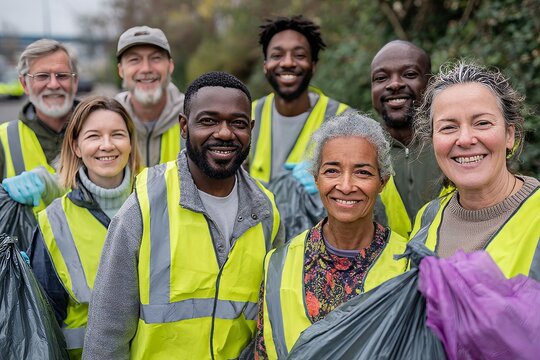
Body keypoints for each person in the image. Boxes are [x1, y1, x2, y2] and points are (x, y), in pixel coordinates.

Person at [83, 71, 284, 359]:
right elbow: (107, 331)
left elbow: (270, 325)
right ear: (184, 126)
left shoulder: (267, 212)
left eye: (237, 123)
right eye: (208, 121)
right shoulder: (145, 203)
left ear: (251, 128)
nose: (225, 133)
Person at [255, 112, 408, 359]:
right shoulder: (278, 265)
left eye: (363, 173)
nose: (346, 186)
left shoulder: (408, 266)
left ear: (383, 182)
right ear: (316, 178)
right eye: (332, 171)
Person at [27, 95, 142, 359]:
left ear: (130, 143)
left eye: (117, 134)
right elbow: (43, 326)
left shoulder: (157, 204)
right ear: (76, 146)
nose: (106, 145)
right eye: (93, 136)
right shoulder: (53, 222)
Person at [411, 60, 539, 278]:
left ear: (509, 135)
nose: (465, 139)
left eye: (482, 123)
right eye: (448, 127)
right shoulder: (428, 218)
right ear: (432, 140)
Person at [249, 15, 351, 184]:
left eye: (299, 55)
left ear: (313, 65)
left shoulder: (343, 121)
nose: (288, 63)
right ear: (265, 65)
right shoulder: (246, 116)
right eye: (277, 55)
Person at [369, 40, 444, 238]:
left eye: (409, 74)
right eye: (381, 77)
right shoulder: (361, 151)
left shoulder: (457, 144)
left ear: (431, 83)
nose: (394, 84)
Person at [0, 39, 79, 210]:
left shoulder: (102, 131)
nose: (53, 84)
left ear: (75, 82)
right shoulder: (3, 138)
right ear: (24, 84)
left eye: (62, 75)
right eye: (42, 76)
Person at [115, 25, 185, 167]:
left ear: (170, 66)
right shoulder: (108, 120)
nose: (146, 68)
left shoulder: (193, 117)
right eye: (134, 60)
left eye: (156, 58)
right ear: (121, 70)